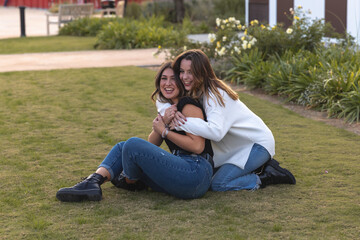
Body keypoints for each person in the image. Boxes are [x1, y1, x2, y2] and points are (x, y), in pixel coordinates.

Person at [56, 61, 214, 201]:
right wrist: (163, 124)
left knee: (132, 144)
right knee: (123, 146)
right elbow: (152, 143)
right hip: (182, 172)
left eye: (173, 79)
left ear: (181, 82)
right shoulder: (169, 109)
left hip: (195, 173)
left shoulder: (188, 105)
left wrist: (165, 132)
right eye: (163, 79)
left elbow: (198, 147)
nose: (168, 83)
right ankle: (92, 182)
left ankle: (130, 181)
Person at [157, 49, 296, 191]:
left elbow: (216, 132)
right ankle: (257, 168)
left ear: (202, 72)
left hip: (257, 144)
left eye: (190, 72)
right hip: (236, 148)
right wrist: (166, 112)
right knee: (209, 178)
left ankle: (268, 174)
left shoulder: (215, 95)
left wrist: (180, 124)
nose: (184, 77)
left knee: (219, 184)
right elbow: (161, 98)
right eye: (181, 71)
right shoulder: (195, 90)